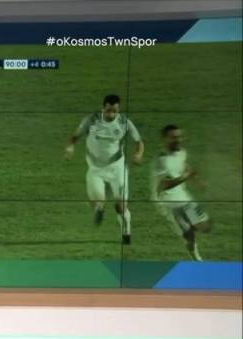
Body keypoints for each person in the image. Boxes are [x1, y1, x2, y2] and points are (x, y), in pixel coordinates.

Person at [65, 94, 144, 244]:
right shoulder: (91, 120)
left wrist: (138, 154)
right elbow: (75, 136)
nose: (111, 114)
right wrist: (70, 148)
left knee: (121, 207)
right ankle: (99, 209)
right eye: (108, 111)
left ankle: (126, 228)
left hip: (117, 169)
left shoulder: (124, 122)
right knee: (97, 201)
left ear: (118, 110)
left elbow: (139, 141)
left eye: (114, 111)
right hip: (96, 169)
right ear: (103, 108)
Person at [151, 124, 211, 261]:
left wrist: (198, 182)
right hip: (167, 201)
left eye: (179, 137)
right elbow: (165, 185)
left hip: (183, 196)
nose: (178, 140)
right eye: (173, 137)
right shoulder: (161, 160)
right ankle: (197, 258)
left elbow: (184, 165)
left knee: (205, 226)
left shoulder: (181, 152)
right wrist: (186, 177)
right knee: (188, 233)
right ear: (164, 139)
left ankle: (188, 228)